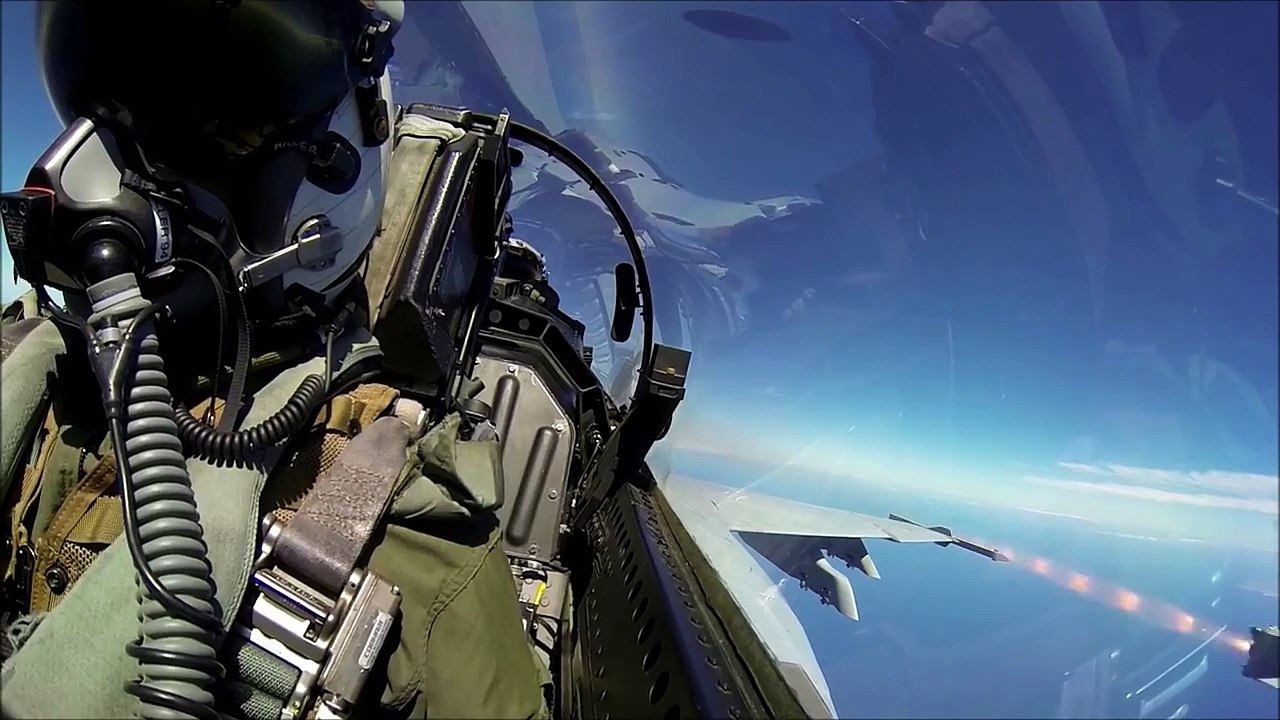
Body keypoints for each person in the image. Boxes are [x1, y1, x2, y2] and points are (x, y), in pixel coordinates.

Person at [0, 1, 549, 717]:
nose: (89, 174)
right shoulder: (31, 375)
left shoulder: (412, 548)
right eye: (110, 122)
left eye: (203, 124)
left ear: (341, 173)